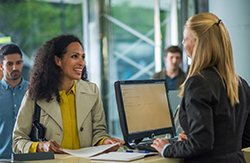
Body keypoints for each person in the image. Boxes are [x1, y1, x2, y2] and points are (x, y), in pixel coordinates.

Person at [151, 12, 250, 163]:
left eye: (186, 39)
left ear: (198, 43)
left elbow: (201, 143)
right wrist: (192, 138)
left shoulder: (198, 82)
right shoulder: (240, 83)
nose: (183, 43)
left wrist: (167, 148)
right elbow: (245, 137)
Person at [12, 34, 124, 154]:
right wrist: (40, 146)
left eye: (83, 57)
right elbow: (17, 141)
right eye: (75, 56)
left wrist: (105, 142)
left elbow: (99, 132)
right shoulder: (35, 94)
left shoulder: (92, 91)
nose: (82, 62)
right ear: (57, 60)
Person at [0, 44, 29, 159]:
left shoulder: (33, 92)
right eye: (10, 64)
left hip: (29, 158)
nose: (14, 68)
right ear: (1, 66)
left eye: (18, 63)